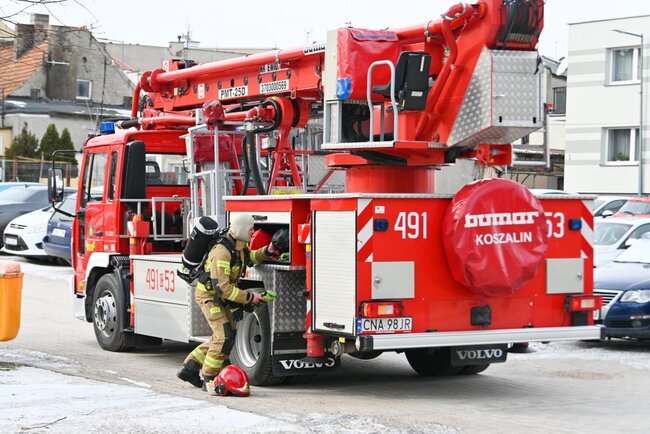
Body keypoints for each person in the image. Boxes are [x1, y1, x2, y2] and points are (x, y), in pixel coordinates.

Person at [177, 214, 285, 393]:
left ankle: (190, 368)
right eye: (251, 228)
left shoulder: (238, 245)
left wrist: (269, 249)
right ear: (242, 229)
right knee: (224, 337)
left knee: (225, 336)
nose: (253, 232)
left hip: (220, 297)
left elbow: (250, 258)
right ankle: (209, 378)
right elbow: (223, 288)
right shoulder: (222, 252)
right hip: (209, 297)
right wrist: (250, 297)